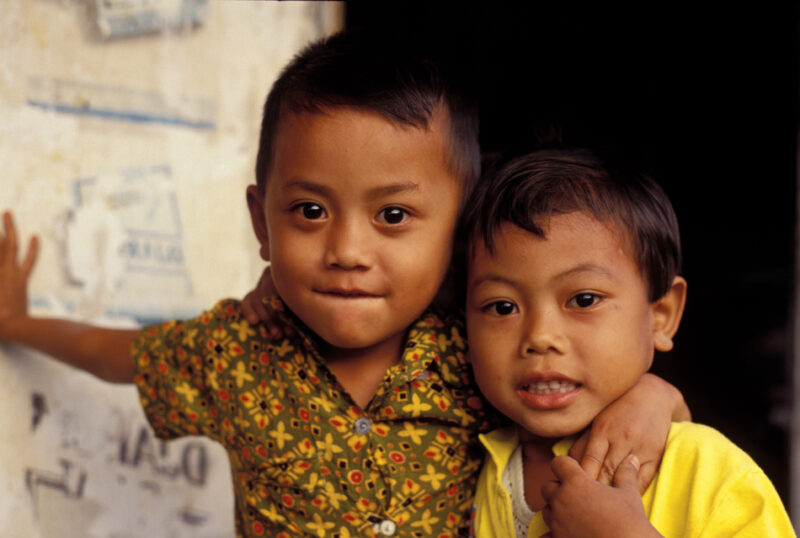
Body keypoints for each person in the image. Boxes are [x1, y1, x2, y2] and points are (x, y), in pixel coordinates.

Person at [0, 32, 688, 537]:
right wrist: (17, 324)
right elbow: (113, 352)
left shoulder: (483, 342)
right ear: (260, 222)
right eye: (309, 212)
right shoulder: (232, 354)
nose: (347, 251)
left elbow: (591, 378)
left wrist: (657, 396)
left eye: (393, 215)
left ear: (459, 227)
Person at [462, 148, 795, 537]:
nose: (539, 337)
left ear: (661, 315)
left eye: (584, 300)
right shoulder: (467, 464)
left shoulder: (709, 471)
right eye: (502, 307)